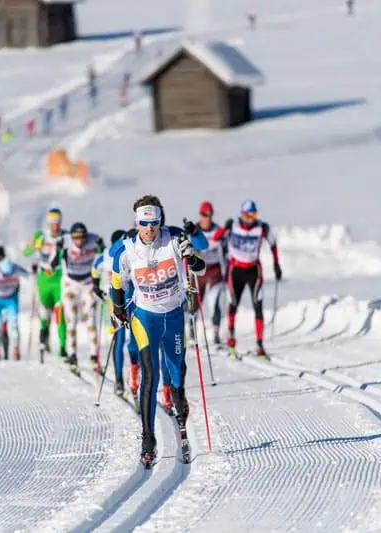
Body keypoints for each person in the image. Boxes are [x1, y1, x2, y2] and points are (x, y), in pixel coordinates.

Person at [111, 194, 205, 468]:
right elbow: (118, 283)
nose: (150, 229)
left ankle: (180, 406)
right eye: (144, 224)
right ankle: (148, 439)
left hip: (174, 316)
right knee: (150, 375)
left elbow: (199, 266)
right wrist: (119, 311)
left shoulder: (174, 240)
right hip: (145, 319)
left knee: (177, 374)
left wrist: (192, 257)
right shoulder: (126, 251)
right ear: (137, 223)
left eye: (154, 224)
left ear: (160, 221)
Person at [209, 200, 281, 358]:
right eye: (249, 215)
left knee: (258, 304)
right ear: (242, 214)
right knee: (233, 303)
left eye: (254, 214)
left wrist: (276, 264)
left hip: (254, 269)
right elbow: (215, 239)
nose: (252, 218)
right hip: (235, 270)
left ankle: (260, 344)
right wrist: (224, 228)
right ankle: (231, 339)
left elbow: (273, 244)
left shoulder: (262, 227)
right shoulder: (233, 226)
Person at [92, 229, 140, 398]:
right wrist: (96, 287)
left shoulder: (124, 252)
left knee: (133, 340)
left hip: (131, 299)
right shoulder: (109, 254)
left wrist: (95, 285)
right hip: (115, 301)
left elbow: (94, 269)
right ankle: (119, 379)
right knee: (119, 339)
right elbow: (95, 268)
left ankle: (132, 376)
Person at [54, 222, 105, 373]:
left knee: (91, 319)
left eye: (82, 237)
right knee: (71, 319)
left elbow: (104, 254)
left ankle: (94, 356)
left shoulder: (93, 239)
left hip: (87, 282)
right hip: (70, 283)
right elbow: (53, 260)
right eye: (76, 238)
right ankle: (72, 354)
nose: (79, 241)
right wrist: (58, 253)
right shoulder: (65, 241)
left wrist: (102, 248)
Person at [22, 208, 68, 359]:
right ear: (48, 223)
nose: (55, 226)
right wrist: (35, 246)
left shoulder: (65, 236)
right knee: (45, 312)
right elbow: (26, 252)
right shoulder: (40, 235)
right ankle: (43, 339)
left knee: (60, 313)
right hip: (44, 279)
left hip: (59, 279)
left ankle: (63, 347)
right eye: (52, 223)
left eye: (57, 223)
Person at [192, 201, 228, 346]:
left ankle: (215, 334)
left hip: (214, 270)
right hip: (198, 271)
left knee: (214, 303)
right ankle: (192, 332)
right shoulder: (193, 231)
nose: (206, 218)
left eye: (209, 215)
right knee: (193, 304)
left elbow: (226, 251)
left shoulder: (218, 231)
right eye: (203, 215)